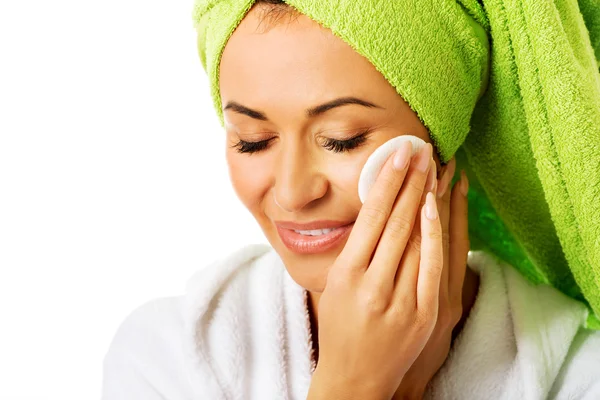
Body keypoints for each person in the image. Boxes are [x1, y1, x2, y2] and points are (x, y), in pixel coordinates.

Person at [102, 0, 600, 399]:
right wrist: (358, 387)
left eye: (342, 139)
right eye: (252, 139)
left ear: (440, 147)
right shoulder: (165, 358)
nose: (294, 193)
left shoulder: (579, 374)